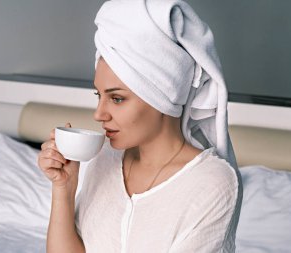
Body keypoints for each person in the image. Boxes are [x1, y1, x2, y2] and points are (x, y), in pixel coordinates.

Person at [38, 0, 242, 252]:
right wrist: (64, 188)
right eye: (98, 96)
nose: (99, 114)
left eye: (117, 98)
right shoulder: (105, 160)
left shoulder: (211, 183)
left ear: (162, 96)